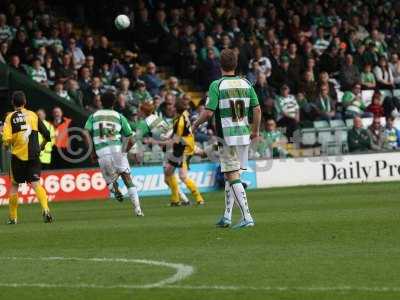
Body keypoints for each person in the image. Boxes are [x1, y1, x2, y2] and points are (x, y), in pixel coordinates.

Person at [193, 49, 261, 229]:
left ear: (220, 65)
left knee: (232, 175)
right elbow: (257, 109)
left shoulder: (217, 85)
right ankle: (227, 216)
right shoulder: (246, 83)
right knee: (231, 174)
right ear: (236, 64)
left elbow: (208, 113)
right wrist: (255, 130)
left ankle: (247, 217)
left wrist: (195, 125)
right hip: (244, 134)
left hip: (227, 136)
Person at [83, 91, 144, 217]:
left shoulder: (94, 116)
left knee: (110, 181)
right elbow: (131, 136)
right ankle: (137, 209)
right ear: (114, 103)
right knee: (127, 179)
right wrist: (126, 149)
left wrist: (91, 151)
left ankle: (114, 189)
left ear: (101, 102)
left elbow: (85, 133)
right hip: (117, 149)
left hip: (102, 151)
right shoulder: (119, 116)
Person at [2, 91, 53, 224]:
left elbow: (6, 141)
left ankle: (13, 218)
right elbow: (47, 135)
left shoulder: (10, 117)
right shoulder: (33, 115)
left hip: (18, 156)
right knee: (36, 184)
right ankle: (46, 209)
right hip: (34, 155)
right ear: (25, 102)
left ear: (13, 103)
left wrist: (6, 146)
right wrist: (41, 146)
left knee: (14, 185)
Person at [163, 98, 204, 206]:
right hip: (186, 147)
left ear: (176, 109)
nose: (170, 109)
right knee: (169, 172)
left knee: (181, 175)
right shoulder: (184, 115)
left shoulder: (179, 122)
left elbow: (176, 139)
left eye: (172, 107)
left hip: (182, 149)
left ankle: (195, 199)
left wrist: (158, 141)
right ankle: (176, 199)